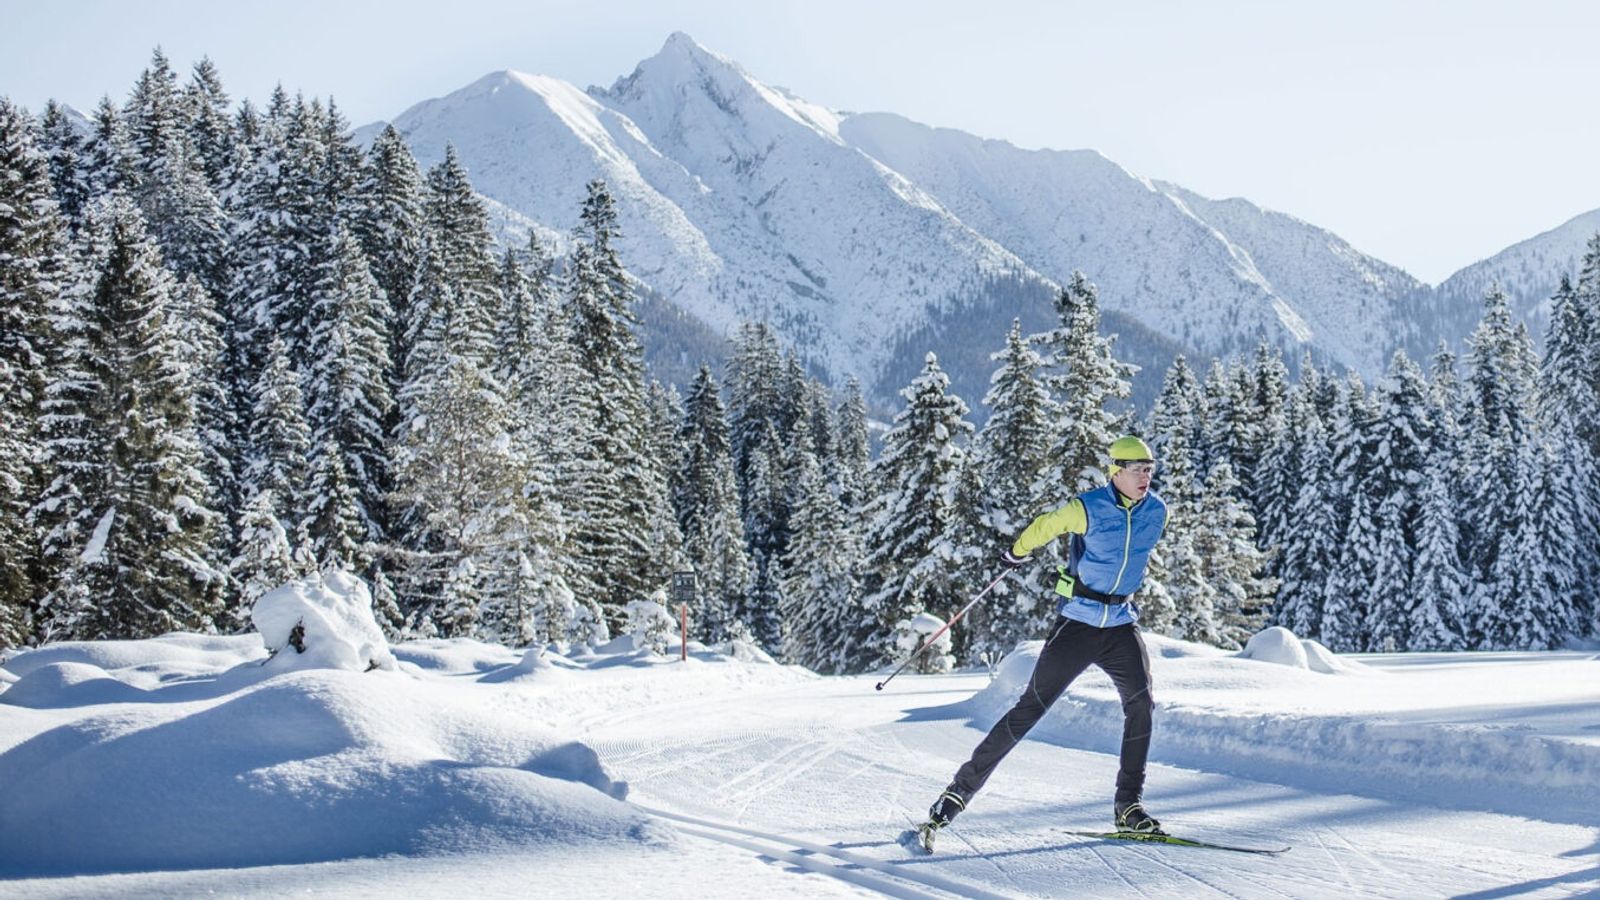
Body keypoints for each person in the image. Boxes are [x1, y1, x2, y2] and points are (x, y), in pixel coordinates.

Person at [917, 435, 1169, 851]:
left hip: (1122, 623)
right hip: (1079, 625)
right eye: (1137, 468)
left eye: (1150, 468)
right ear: (1116, 471)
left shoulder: (1157, 512)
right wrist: (1017, 552)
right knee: (1028, 710)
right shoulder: (1087, 507)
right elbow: (1045, 525)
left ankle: (1129, 807)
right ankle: (954, 797)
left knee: (1141, 705)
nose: (1146, 475)